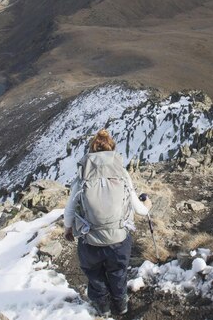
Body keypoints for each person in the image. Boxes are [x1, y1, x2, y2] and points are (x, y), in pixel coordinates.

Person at [64, 129, 152, 317]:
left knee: (94, 274)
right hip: (118, 240)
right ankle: (121, 305)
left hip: (90, 240)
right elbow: (139, 209)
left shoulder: (82, 175)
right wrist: (148, 205)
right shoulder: (121, 173)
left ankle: (102, 306)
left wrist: (68, 229)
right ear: (112, 149)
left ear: (91, 151)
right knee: (118, 273)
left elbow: (70, 208)